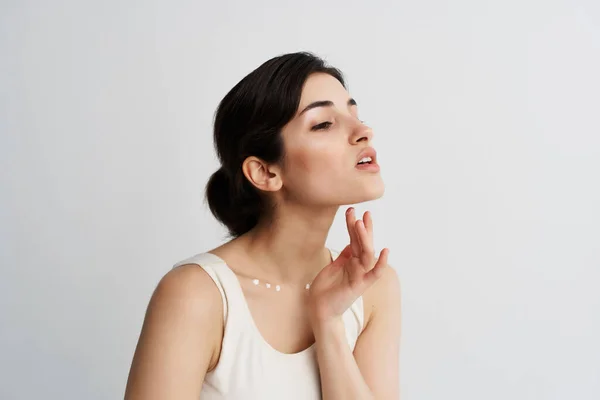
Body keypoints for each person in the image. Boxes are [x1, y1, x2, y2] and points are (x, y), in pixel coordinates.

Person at [124, 52, 401, 399]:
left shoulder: (372, 287)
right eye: (324, 124)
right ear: (265, 172)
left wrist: (329, 322)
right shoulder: (197, 295)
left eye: (354, 114)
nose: (364, 131)